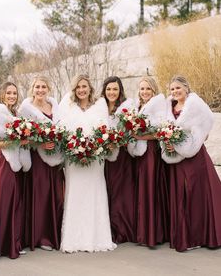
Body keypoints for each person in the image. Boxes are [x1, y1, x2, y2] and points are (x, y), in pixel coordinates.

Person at [163, 75, 221, 252]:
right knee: (181, 195)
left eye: (178, 88)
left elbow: (205, 126)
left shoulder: (195, 106)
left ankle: (203, 235)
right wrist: (167, 142)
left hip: (195, 156)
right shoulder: (169, 107)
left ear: (186, 88)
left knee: (198, 193)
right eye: (172, 89)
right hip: (176, 158)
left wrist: (190, 140)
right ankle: (185, 236)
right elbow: (164, 128)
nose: (175, 92)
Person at [59, 74, 116, 252]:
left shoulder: (100, 105)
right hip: (74, 160)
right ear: (74, 90)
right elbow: (62, 132)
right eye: (78, 87)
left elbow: (104, 130)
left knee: (94, 193)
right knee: (75, 193)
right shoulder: (67, 106)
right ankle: (73, 239)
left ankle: (97, 238)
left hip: (94, 159)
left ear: (90, 88)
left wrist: (93, 149)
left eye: (84, 86)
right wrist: (75, 150)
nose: (82, 90)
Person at [19, 76, 64, 251]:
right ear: (32, 88)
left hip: (56, 156)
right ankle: (40, 237)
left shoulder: (55, 106)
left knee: (56, 194)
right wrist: (41, 143)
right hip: (38, 157)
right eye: (37, 86)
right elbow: (23, 137)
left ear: (48, 89)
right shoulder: (26, 109)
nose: (40, 90)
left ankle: (54, 234)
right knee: (41, 194)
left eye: (43, 86)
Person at [0, 82, 30, 259]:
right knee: (3, 202)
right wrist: (16, 141)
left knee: (14, 202)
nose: (12, 96)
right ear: (2, 94)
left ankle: (11, 242)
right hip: (4, 162)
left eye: (14, 93)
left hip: (16, 163)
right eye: (8, 93)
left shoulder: (15, 114)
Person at [127, 76, 169, 247]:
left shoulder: (159, 105)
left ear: (154, 91)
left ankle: (153, 233)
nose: (144, 92)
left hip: (151, 152)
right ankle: (144, 231)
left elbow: (161, 131)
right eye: (142, 89)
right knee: (142, 190)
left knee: (150, 189)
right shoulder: (137, 107)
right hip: (139, 153)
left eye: (148, 89)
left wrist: (140, 135)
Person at [101, 76, 136, 243]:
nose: (112, 92)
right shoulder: (99, 108)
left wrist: (117, 141)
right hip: (103, 157)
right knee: (106, 191)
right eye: (109, 89)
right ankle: (107, 230)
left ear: (120, 91)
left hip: (121, 157)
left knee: (121, 192)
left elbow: (130, 132)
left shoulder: (125, 109)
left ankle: (122, 230)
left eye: (115, 89)